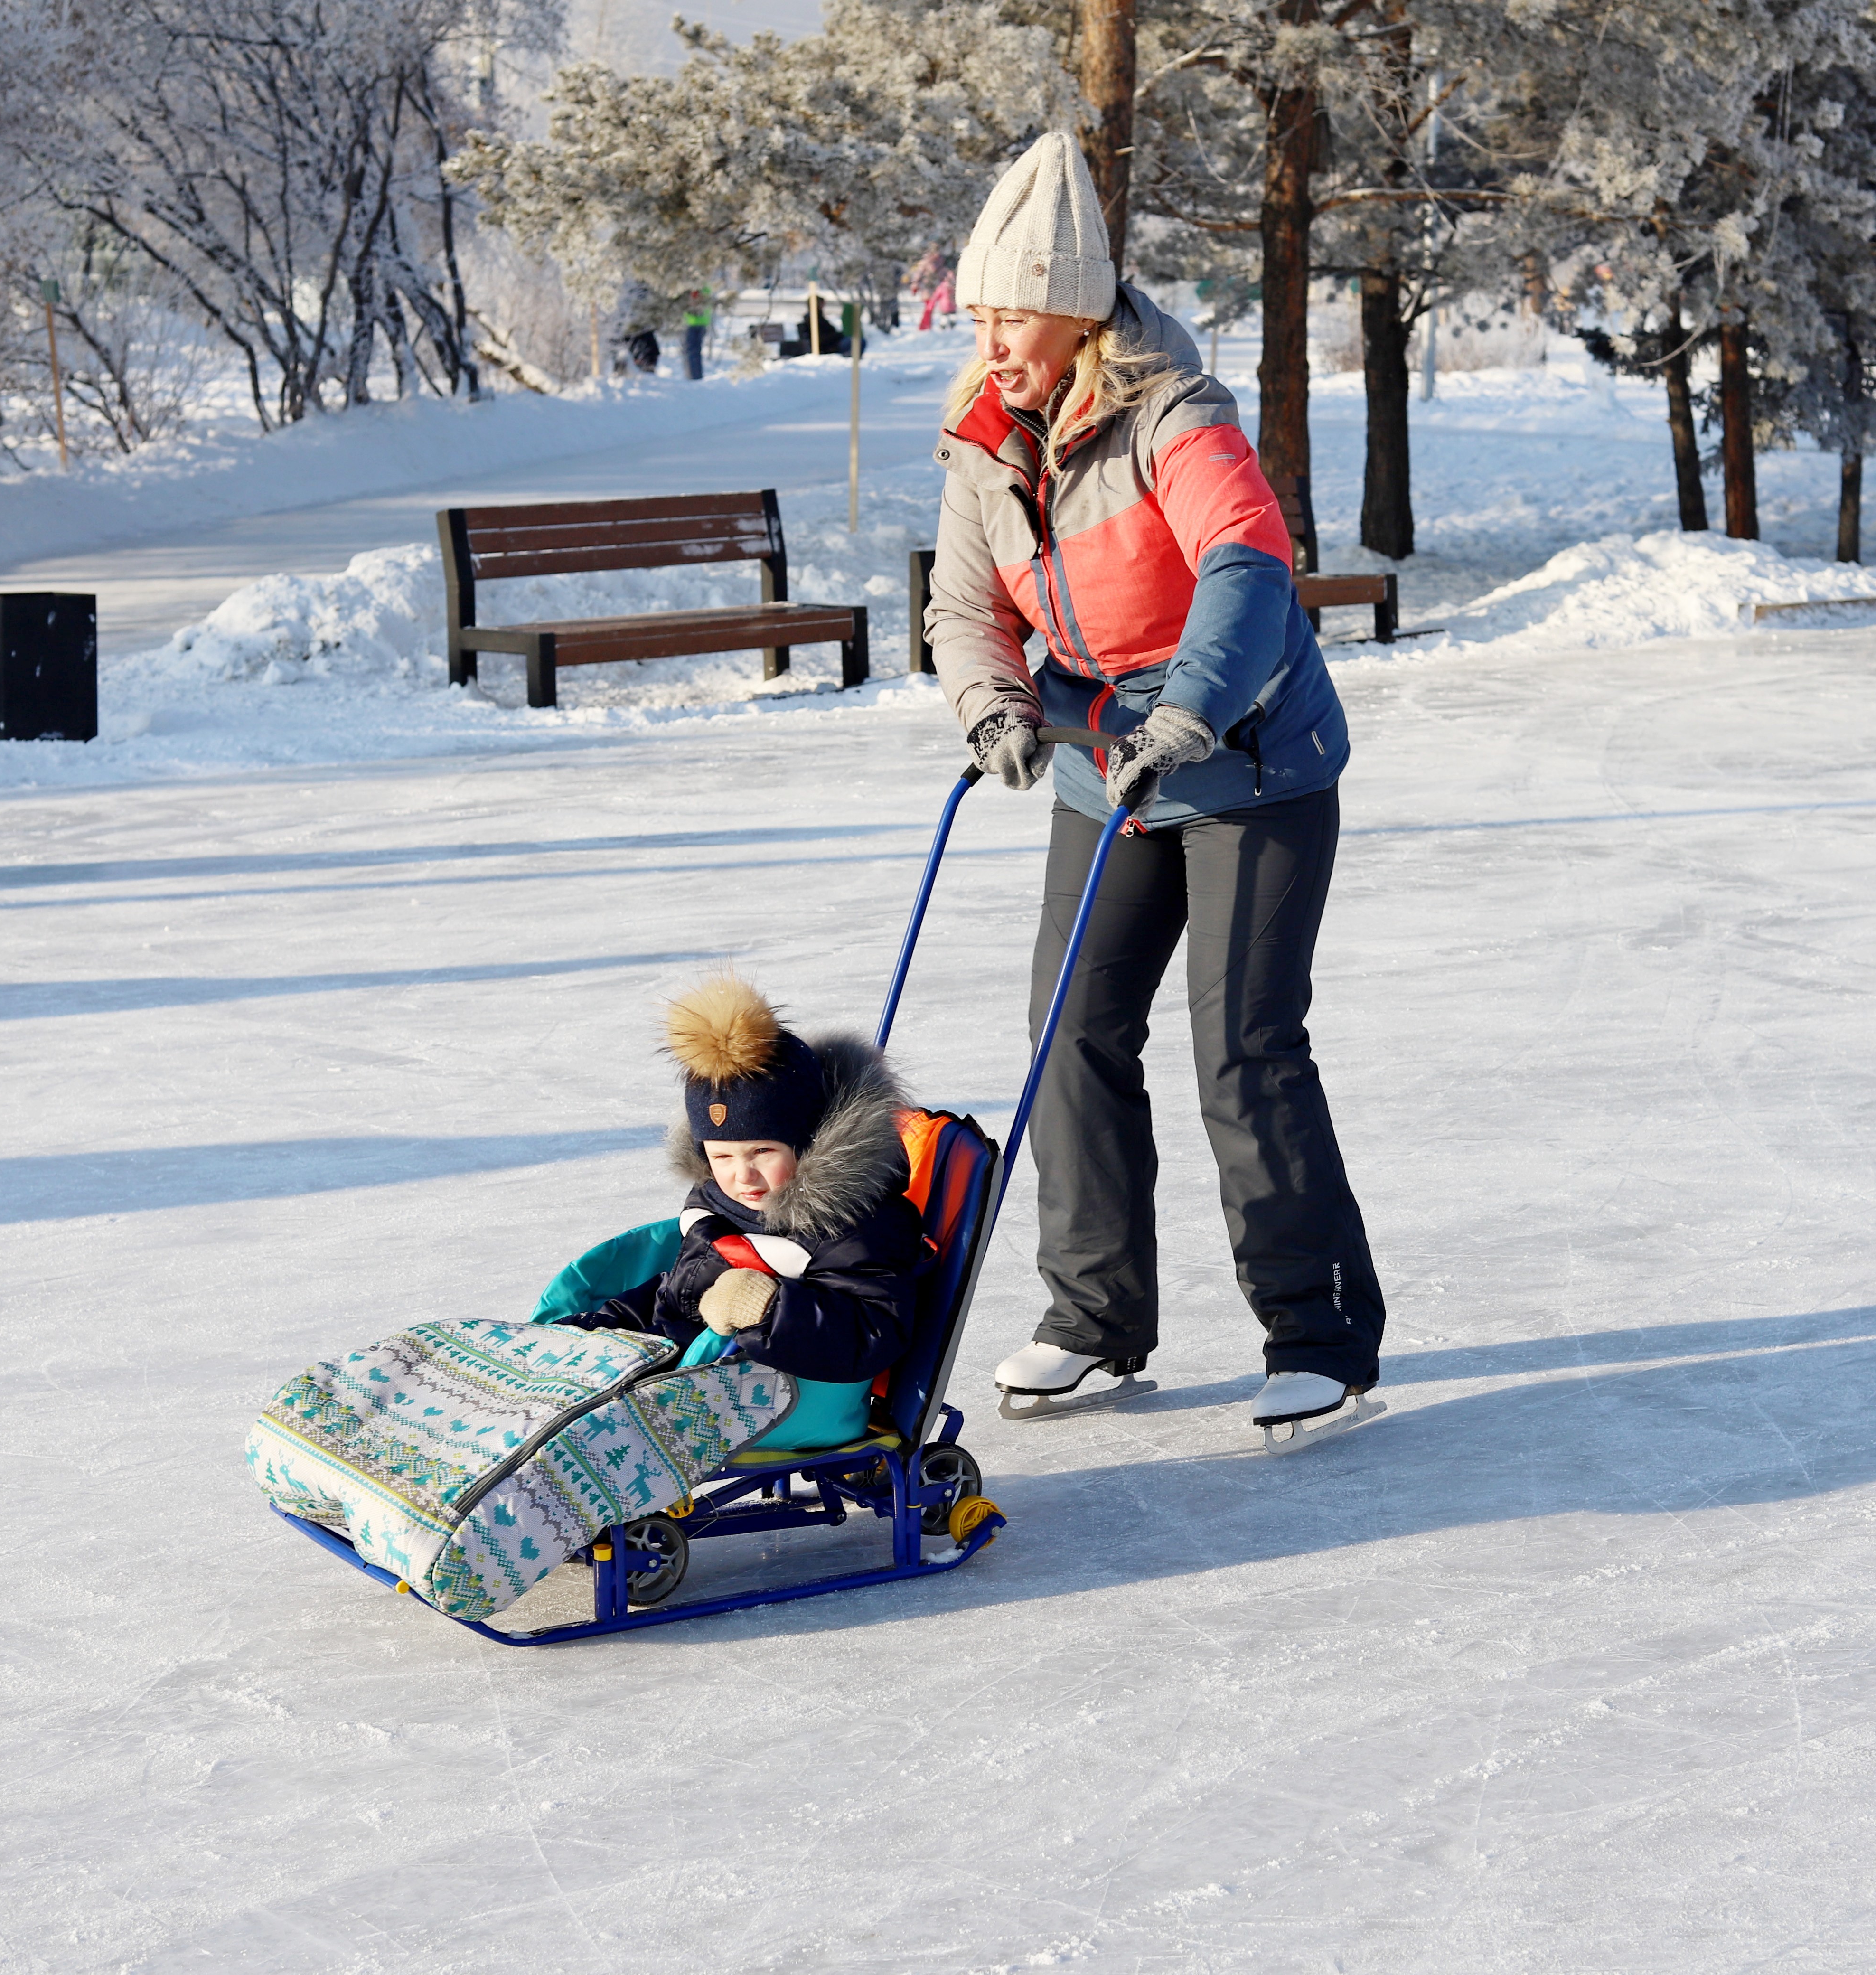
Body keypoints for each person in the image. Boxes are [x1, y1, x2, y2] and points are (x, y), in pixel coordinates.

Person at [922, 132, 1386, 1441]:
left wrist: (1191, 705)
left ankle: (1317, 1336)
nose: (992, 342)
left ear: (1077, 311)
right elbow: (965, 605)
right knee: (1070, 1031)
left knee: (1243, 1046)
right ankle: (1093, 1316)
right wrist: (995, 707)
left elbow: (1247, 562)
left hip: (1249, 761)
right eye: (978, 316)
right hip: (1103, 768)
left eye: (1013, 315)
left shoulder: (1176, 415)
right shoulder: (984, 441)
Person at [535, 975, 924, 1451]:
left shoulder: (857, 1226)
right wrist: (600, 1329)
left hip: (796, 1398)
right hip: (700, 1377)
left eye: (763, 1151)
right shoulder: (719, 1205)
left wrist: (766, 1309)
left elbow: (873, 1331)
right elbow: (676, 1297)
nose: (743, 1175)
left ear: (810, 1143)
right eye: (722, 1156)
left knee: (594, 1432)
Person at [679, 291, 712, 380]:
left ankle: (694, 377)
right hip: (700, 322)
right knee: (695, 352)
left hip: (693, 323)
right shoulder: (706, 287)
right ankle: (695, 376)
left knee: (692, 352)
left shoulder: (697, 288)